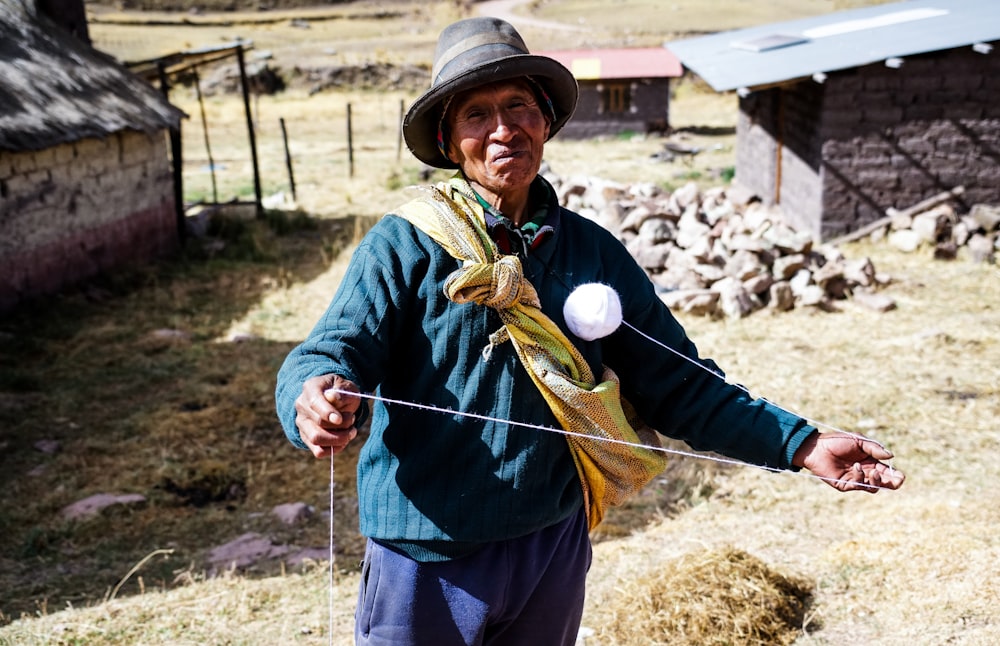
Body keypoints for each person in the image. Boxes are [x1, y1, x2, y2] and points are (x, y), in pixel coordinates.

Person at [275, 16, 905, 646]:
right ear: (448, 140)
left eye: (519, 104)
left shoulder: (589, 252)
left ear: (545, 119)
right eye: (476, 114)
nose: (503, 129)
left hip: (550, 547)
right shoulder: (406, 243)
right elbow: (333, 350)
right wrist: (316, 394)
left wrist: (800, 444)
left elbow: (681, 385)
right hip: (426, 552)